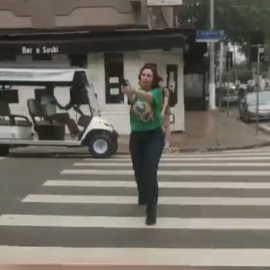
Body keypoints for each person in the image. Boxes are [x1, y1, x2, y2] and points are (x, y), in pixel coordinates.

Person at [121, 65, 164, 226]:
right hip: (137, 136)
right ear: (140, 77)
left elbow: (148, 98)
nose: (145, 77)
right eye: (143, 75)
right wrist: (129, 93)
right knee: (138, 170)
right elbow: (133, 102)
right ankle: (143, 195)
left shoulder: (157, 93)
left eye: (149, 76)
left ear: (153, 80)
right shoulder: (134, 94)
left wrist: (133, 91)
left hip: (154, 136)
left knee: (150, 170)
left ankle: (151, 210)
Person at [159, 78, 171, 149]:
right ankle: (164, 141)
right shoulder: (159, 90)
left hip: (164, 111)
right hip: (160, 111)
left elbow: (166, 101)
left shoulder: (165, 90)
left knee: (165, 126)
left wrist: (163, 111)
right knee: (162, 126)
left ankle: (167, 142)